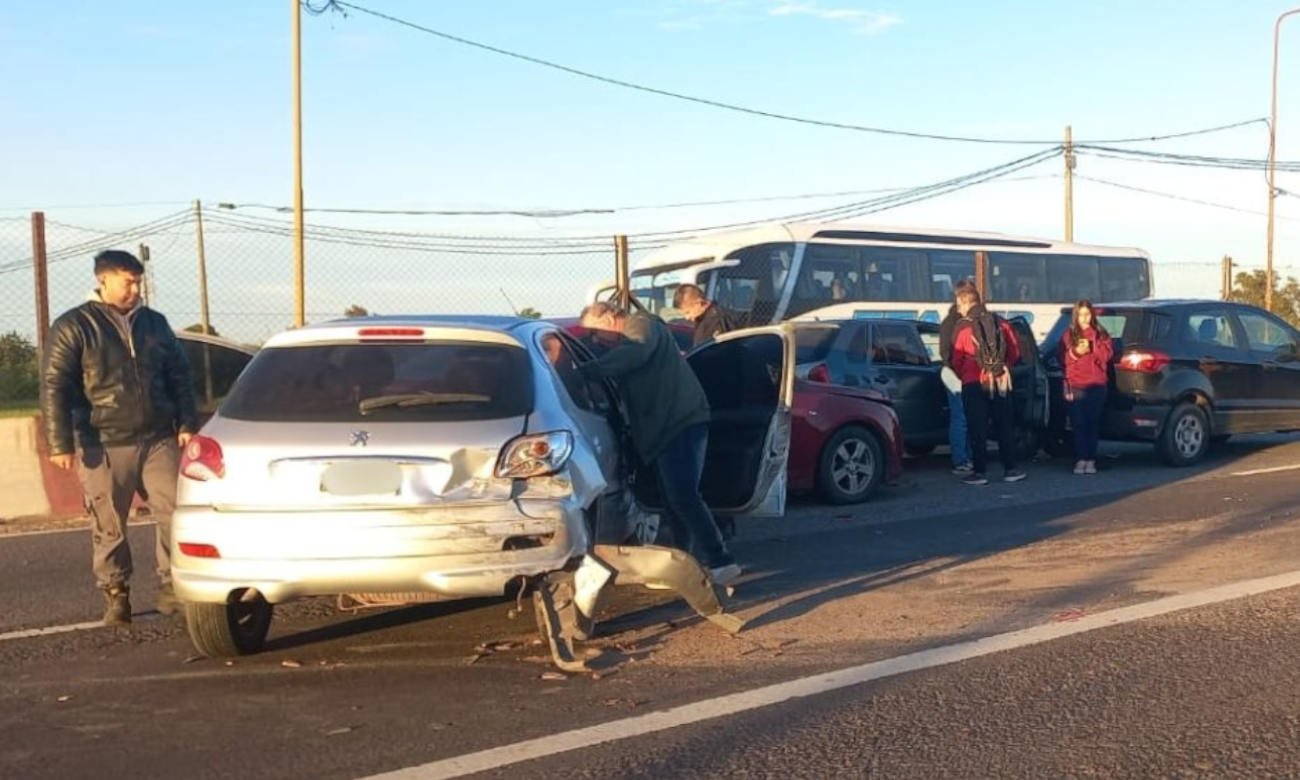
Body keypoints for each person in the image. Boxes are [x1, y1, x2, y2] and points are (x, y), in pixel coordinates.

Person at [41, 250, 198, 626]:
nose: (134, 289)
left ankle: (172, 587)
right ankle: (116, 594)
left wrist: (186, 422)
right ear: (103, 280)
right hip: (102, 441)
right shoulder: (74, 325)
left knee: (175, 513)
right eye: (127, 282)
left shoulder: (155, 324)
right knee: (109, 523)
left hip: (159, 437)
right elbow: (54, 386)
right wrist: (59, 442)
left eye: (138, 282)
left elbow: (179, 375)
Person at [577, 301, 739, 583]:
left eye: (595, 331)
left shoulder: (640, 326)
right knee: (672, 499)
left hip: (679, 421)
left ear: (610, 318)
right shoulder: (633, 336)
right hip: (668, 425)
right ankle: (680, 566)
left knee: (682, 495)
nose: (596, 339)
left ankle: (720, 561)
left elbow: (634, 354)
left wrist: (584, 371)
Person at [951, 286, 1026, 485]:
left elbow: (956, 358)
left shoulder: (963, 327)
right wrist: (1001, 368)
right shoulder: (1001, 323)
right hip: (1000, 381)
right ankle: (1011, 469)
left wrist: (966, 375)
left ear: (967, 302)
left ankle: (980, 472)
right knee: (1004, 425)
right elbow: (1015, 352)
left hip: (973, 382)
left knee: (977, 428)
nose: (958, 309)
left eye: (959, 304)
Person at [1059, 299, 1113, 475]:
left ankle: (1091, 460)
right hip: (1075, 384)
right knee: (1078, 423)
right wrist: (1075, 352)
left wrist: (1093, 346)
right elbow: (1062, 360)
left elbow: (1107, 356)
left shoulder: (1100, 334)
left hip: (1096, 384)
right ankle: (1080, 458)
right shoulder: (1068, 335)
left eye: (1088, 314)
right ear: (1076, 315)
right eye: (1081, 314)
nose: (1085, 318)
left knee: (1092, 422)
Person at [938, 280, 976, 475]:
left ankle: (965, 457)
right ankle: (961, 459)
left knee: (964, 417)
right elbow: (950, 353)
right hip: (956, 374)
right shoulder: (957, 323)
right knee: (962, 417)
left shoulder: (949, 321)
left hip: (953, 372)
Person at [672, 284, 740, 348]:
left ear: (698, 303)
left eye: (688, 312)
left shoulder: (715, 321)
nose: (687, 318)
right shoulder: (703, 319)